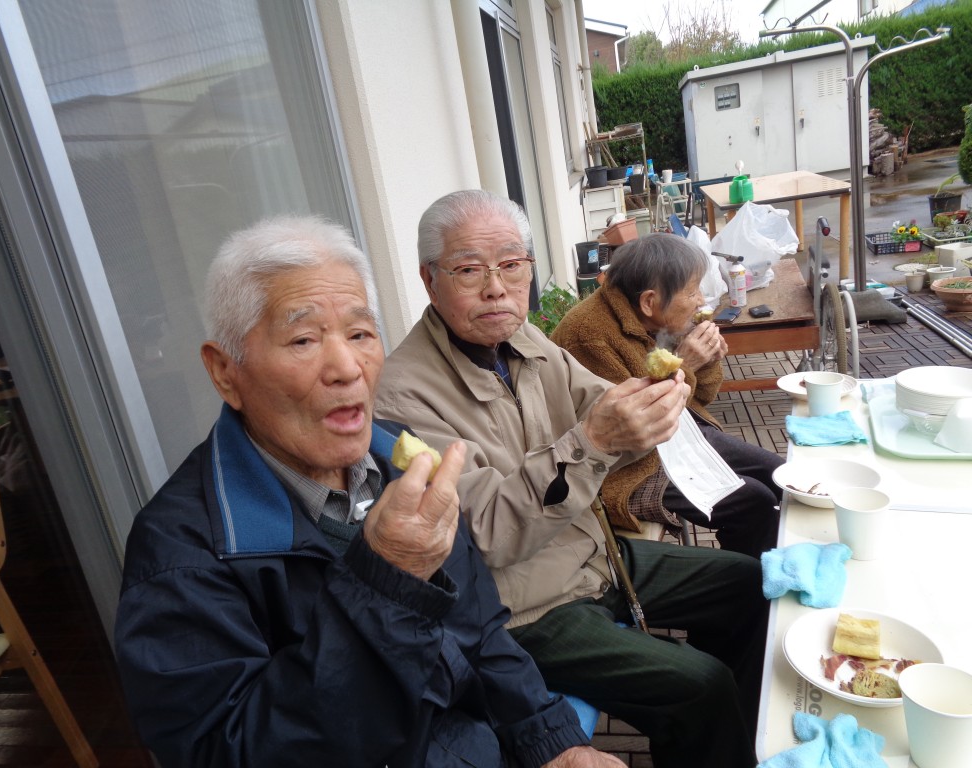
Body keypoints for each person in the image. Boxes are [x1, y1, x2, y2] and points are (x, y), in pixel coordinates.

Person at [113, 215, 623, 768]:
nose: (347, 367)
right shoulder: (183, 549)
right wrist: (385, 582)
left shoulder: (399, 464)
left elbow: (479, 632)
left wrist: (555, 744)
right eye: (304, 339)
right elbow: (226, 750)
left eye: (360, 334)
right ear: (225, 372)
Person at [375, 190, 769, 768]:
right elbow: (486, 533)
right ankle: (708, 723)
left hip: (595, 556)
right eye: (468, 270)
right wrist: (594, 442)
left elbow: (599, 398)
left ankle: (723, 739)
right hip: (527, 609)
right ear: (429, 279)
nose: (496, 287)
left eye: (512, 265)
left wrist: (657, 394)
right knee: (700, 685)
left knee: (750, 586)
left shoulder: (522, 338)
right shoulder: (403, 393)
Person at [551, 233, 783, 559]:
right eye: (692, 291)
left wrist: (707, 358)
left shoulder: (652, 317)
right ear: (649, 301)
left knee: (779, 474)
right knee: (754, 502)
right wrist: (687, 363)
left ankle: (769, 562)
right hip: (625, 466)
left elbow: (702, 394)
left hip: (676, 432)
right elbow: (638, 426)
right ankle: (750, 585)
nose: (702, 300)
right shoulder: (588, 337)